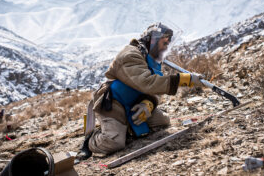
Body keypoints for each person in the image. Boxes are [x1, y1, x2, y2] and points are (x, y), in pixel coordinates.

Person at [77, 22, 203, 160]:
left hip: (134, 102)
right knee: (114, 142)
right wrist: (183, 80)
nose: (166, 47)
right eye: (164, 42)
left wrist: (147, 104)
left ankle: (126, 129)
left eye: (168, 43)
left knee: (163, 121)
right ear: (152, 40)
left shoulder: (151, 59)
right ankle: (89, 141)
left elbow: (156, 89)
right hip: (114, 104)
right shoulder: (130, 55)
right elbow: (148, 83)